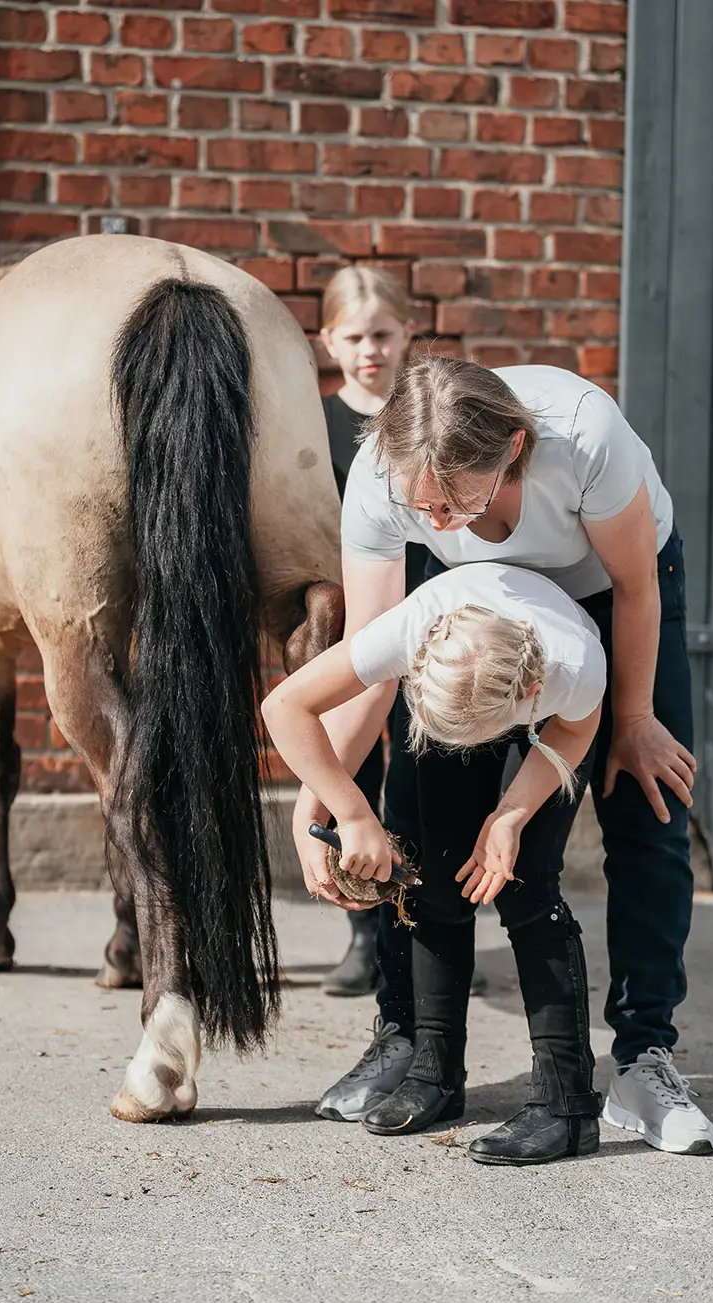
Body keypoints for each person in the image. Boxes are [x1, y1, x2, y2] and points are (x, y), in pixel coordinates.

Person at [294, 358, 713, 1157]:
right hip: (470, 604)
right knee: (419, 818)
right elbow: (367, 664)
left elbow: (634, 589)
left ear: (515, 448)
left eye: (454, 499)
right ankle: (410, 1040)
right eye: (425, 505)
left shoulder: (585, 437)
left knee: (647, 799)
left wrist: (631, 716)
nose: (438, 517)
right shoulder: (391, 483)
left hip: (611, 590)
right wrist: (326, 792)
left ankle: (642, 1056)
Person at [264, 561, 605, 1162]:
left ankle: (566, 1106)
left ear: (529, 695)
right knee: (438, 880)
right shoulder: (411, 630)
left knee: (526, 887)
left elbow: (576, 733)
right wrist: (352, 813)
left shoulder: (574, 666)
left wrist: (509, 816)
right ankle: (436, 1074)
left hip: (540, 719)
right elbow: (284, 707)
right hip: (462, 682)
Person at [316, 268, 421, 997]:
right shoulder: (315, 423)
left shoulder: (427, 413)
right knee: (357, 772)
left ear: (408, 332)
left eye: (382, 334)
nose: (369, 351)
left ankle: (423, 919)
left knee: (427, 765)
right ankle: (364, 929)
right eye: (354, 337)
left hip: (432, 619)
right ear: (328, 341)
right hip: (354, 623)